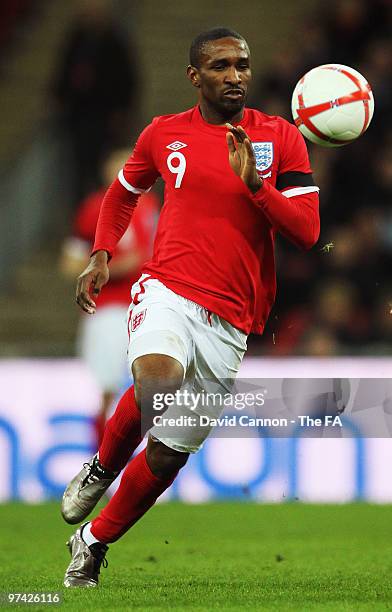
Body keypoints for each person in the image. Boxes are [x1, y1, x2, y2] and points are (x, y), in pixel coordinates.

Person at [62, 27, 320, 587]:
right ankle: (101, 466)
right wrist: (102, 252)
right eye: (222, 66)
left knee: (165, 458)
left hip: (235, 320)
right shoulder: (164, 134)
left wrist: (257, 186)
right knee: (158, 385)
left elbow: (307, 231)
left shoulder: (281, 139)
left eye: (243, 65)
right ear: (194, 76)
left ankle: (93, 540)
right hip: (169, 289)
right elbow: (125, 191)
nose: (236, 76)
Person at [60, 148, 159, 448]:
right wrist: (110, 267)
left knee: (153, 389)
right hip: (109, 311)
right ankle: (101, 463)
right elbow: (70, 264)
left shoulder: (152, 206)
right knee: (106, 389)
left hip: (150, 308)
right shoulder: (95, 207)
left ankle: (144, 465)